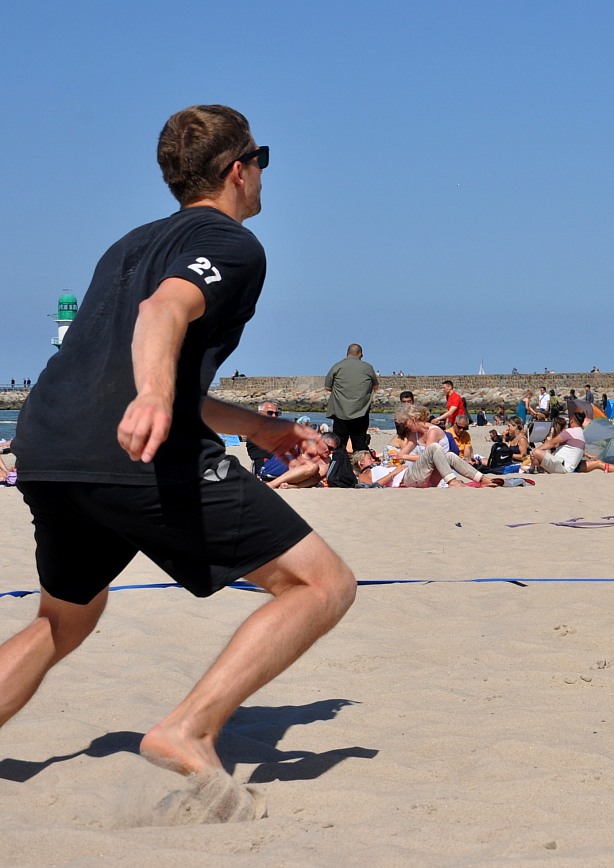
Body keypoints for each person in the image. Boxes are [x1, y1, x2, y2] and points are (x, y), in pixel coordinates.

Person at [1, 106, 357, 794]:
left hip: (47, 445)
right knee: (323, 585)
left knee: (65, 618)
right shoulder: (231, 243)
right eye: (262, 160)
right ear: (238, 169)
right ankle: (188, 728)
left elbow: (131, 364)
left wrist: (258, 428)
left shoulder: (129, 244)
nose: (263, 174)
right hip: (129, 449)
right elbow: (161, 313)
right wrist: (155, 399)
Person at [392, 403, 500, 487]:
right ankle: (454, 482)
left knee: (449, 455)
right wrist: (398, 457)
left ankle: (483, 479)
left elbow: (425, 457)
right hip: (415, 477)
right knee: (436, 449)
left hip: (431, 475)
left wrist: (404, 456)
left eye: (405, 422)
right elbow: (403, 454)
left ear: (413, 420)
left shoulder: (432, 431)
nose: (405, 426)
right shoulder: (414, 434)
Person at [324, 343, 379, 452]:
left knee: (339, 446)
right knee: (359, 446)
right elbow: (376, 387)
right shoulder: (367, 367)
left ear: (347, 353)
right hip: (361, 412)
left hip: (340, 411)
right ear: (360, 354)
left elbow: (327, 387)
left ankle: (339, 462)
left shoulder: (337, 366)